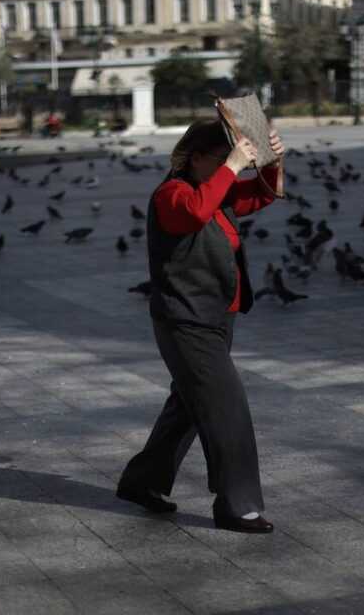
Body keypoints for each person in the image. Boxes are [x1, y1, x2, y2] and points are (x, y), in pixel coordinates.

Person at [117, 120, 285, 534]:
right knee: (227, 409)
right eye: (223, 156)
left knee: (189, 406)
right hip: (186, 321)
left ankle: (143, 481)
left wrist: (272, 160)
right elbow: (194, 213)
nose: (235, 163)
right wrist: (232, 165)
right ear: (195, 158)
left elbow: (264, 193)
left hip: (216, 316)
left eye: (235, 156)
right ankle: (236, 505)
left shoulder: (216, 189)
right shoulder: (172, 195)